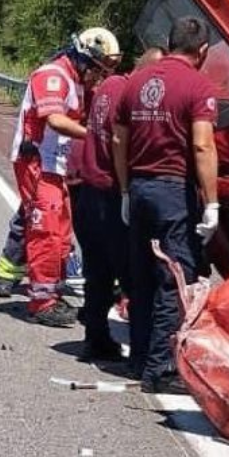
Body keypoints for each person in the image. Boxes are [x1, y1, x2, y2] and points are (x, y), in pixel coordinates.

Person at [114, 17, 218, 394]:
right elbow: (202, 145)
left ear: (170, 43)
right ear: (202, 50)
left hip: (139, 187)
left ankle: (139, 358)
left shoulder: (136, 81)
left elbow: (118, 139)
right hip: (173, 191)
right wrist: (212, 202)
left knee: (141, 276)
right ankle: (160, 369)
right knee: (173, 279)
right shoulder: (198, 86)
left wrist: (125, 190)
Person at [8, 28, 119, 327]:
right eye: (97, 71)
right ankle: (41, 302)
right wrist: (96, 137)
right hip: (36, 163)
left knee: (61, 232)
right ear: (84, 60)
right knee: (45, 230)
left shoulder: (78, 82)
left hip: (55, 165)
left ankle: (51, 293)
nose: (98, 78)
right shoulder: (53, 76)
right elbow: (55, 120)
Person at [74, 46, 164, 361]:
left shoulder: (109, 85)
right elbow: (122, 144)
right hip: (111, 194)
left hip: (87, 192)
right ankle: (144, 353)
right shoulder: (129, 96)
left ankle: (95, 339)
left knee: (96, 272)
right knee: (134, 276)